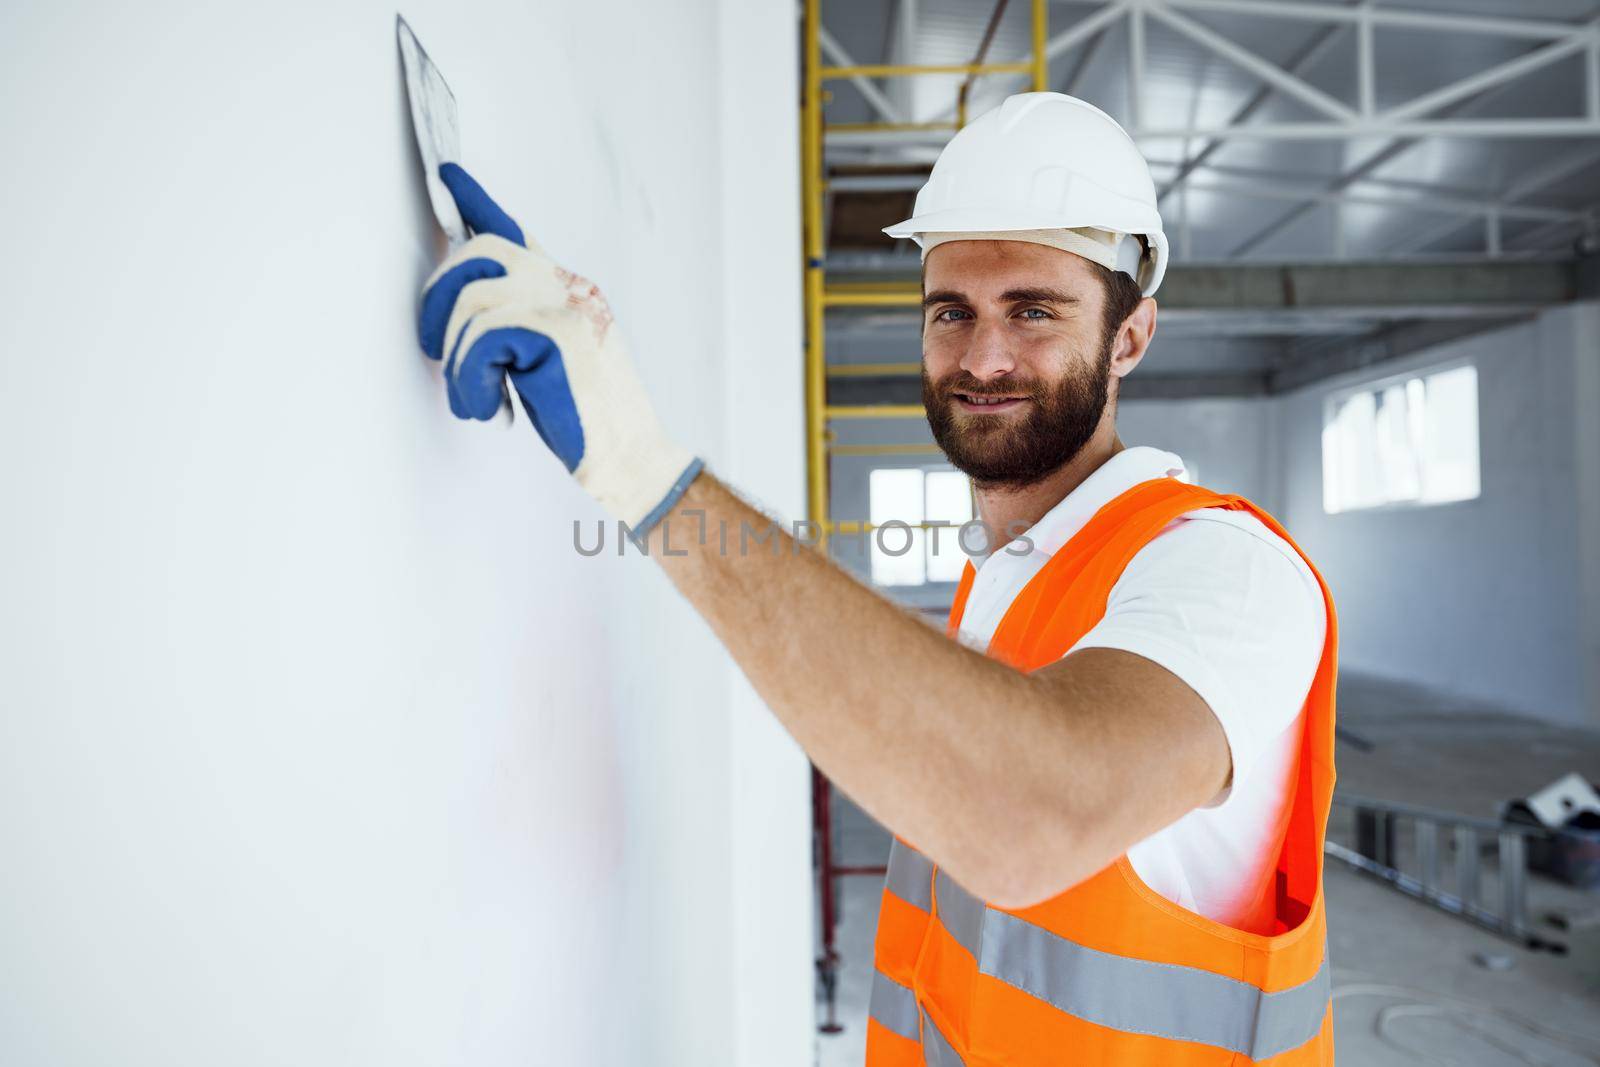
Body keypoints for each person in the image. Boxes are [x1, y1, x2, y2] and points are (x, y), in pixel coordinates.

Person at [416, 92, 1338, 1066]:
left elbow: (1032, 813)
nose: (983, 356)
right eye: (952, 311)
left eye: (1033, 310)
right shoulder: (1009, 574)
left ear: (1129, 336)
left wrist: (643, 468)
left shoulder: (1227, 571)